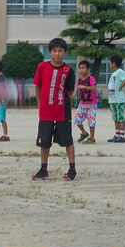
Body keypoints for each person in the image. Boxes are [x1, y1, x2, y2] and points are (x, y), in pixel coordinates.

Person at [32, 38, 76, 181]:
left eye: (60, 51)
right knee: (44, 141)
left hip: (63, 111)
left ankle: (72, 169)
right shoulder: (42, 67)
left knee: (68, 140)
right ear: (50, 52)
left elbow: (69, 92)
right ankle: (43, 169)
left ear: (65, 52)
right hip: (45, 111)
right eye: (54, 51)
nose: (57, 54)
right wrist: (40, 104)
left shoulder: (68, 70)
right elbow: (37, 86)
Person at [107, 54, 125, 143]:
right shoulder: (114, 73)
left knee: (120, 117)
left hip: (118, 99)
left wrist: (122, 85)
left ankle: (122, 136)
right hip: (113, 99)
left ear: (114, 63)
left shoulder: (120, 72)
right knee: (115, 117)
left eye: (110, 62)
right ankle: (117, 134)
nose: (109, 64)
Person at [74, 60, 98, 144]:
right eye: (79, 68)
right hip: (82, 105)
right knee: (77, 119)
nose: (81, 70)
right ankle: (84, 133)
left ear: (88, 69)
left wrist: (84, 87)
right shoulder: (79, 80)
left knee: (91, 122)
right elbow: (77, 91)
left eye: (83, 68)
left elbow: (94, 88)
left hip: (91, 105)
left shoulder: (91, 79)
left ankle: (92, 138)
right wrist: (76, 93)